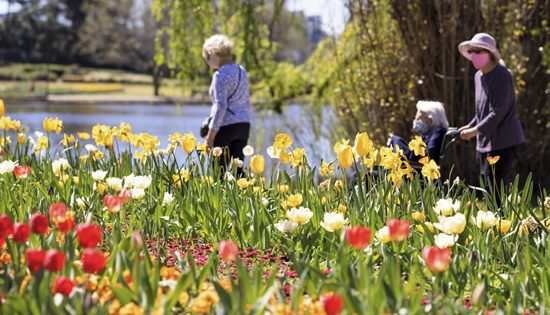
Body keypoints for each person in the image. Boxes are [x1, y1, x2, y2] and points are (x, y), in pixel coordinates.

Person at [457, 33, 525, 187]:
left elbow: (498, 111)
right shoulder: (478, 77)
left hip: (504, 141)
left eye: (478, 51)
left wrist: (475, 131)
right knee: (487, 187)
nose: (474, 55)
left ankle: (499, 212)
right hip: (485, 142)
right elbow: (482, 111)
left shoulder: (502, 75)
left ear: (490, 54)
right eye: (472, 51)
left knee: (495, 189)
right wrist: (470, 126)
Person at [202, 34, 251, 175]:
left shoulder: (219, 75)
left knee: (219, 173)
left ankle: (219, 197)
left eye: (207, 58)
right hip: (243, 126)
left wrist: (210, 137)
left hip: (225, 127)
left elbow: (220, 106)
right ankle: (243, 196)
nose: (207, 62)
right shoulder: (242, 70)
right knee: (238, 171)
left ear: (213, 54)